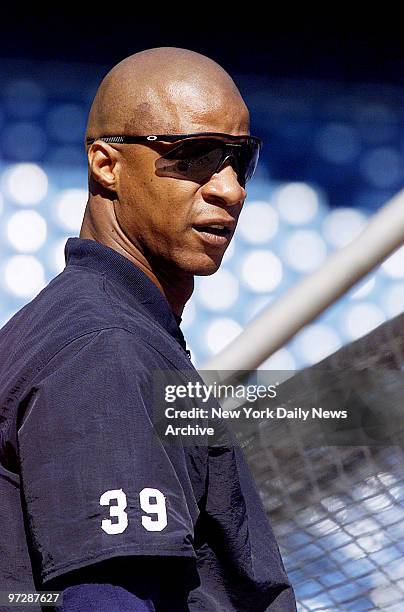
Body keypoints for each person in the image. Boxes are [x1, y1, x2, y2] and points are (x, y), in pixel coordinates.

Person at [0, 47, 296, 611]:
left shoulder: (84, 328)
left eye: (239, 158)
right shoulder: (105, 350)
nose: (230, 189)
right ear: (107, 164)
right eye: (193, 155)